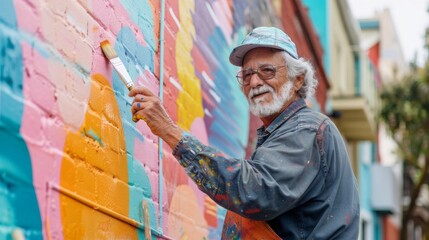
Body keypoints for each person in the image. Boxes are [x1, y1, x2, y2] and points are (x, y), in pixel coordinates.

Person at [129, 26, 360, 239]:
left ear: (297, 80)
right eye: (247, 75)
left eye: (267, 71)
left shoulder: (306, 130)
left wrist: (170, 132)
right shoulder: (283, 131)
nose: (255, 82)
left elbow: (254, 191)